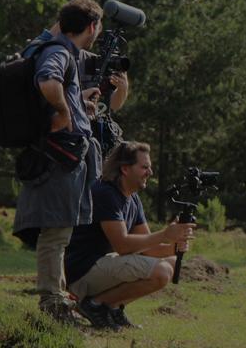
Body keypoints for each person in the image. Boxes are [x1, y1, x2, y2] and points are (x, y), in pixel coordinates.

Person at [12, 0, 106, 324]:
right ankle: (52, 303)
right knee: (55, 234)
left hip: (56, 156)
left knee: (60, 232)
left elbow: (55, 87)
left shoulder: (53, 47)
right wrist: (66, 111)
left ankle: (58, 298)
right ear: (92, 27)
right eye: (98, 26)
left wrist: (77, 103)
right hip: (59, 158)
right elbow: (47, 81)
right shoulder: (59, 52)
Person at [65, 141, 195, 330]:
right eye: (144, 167)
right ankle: (93, 305)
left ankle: (112, 308)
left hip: (102, 267)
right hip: (81, 272)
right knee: (162, 271)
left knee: (173, 262)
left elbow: (148, 249)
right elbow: (123, 246)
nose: (150, 172)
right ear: (125, 169)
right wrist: (165, 234)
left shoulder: (132, 198)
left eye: (150, 167)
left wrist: (174, 245)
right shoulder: (106, 193)